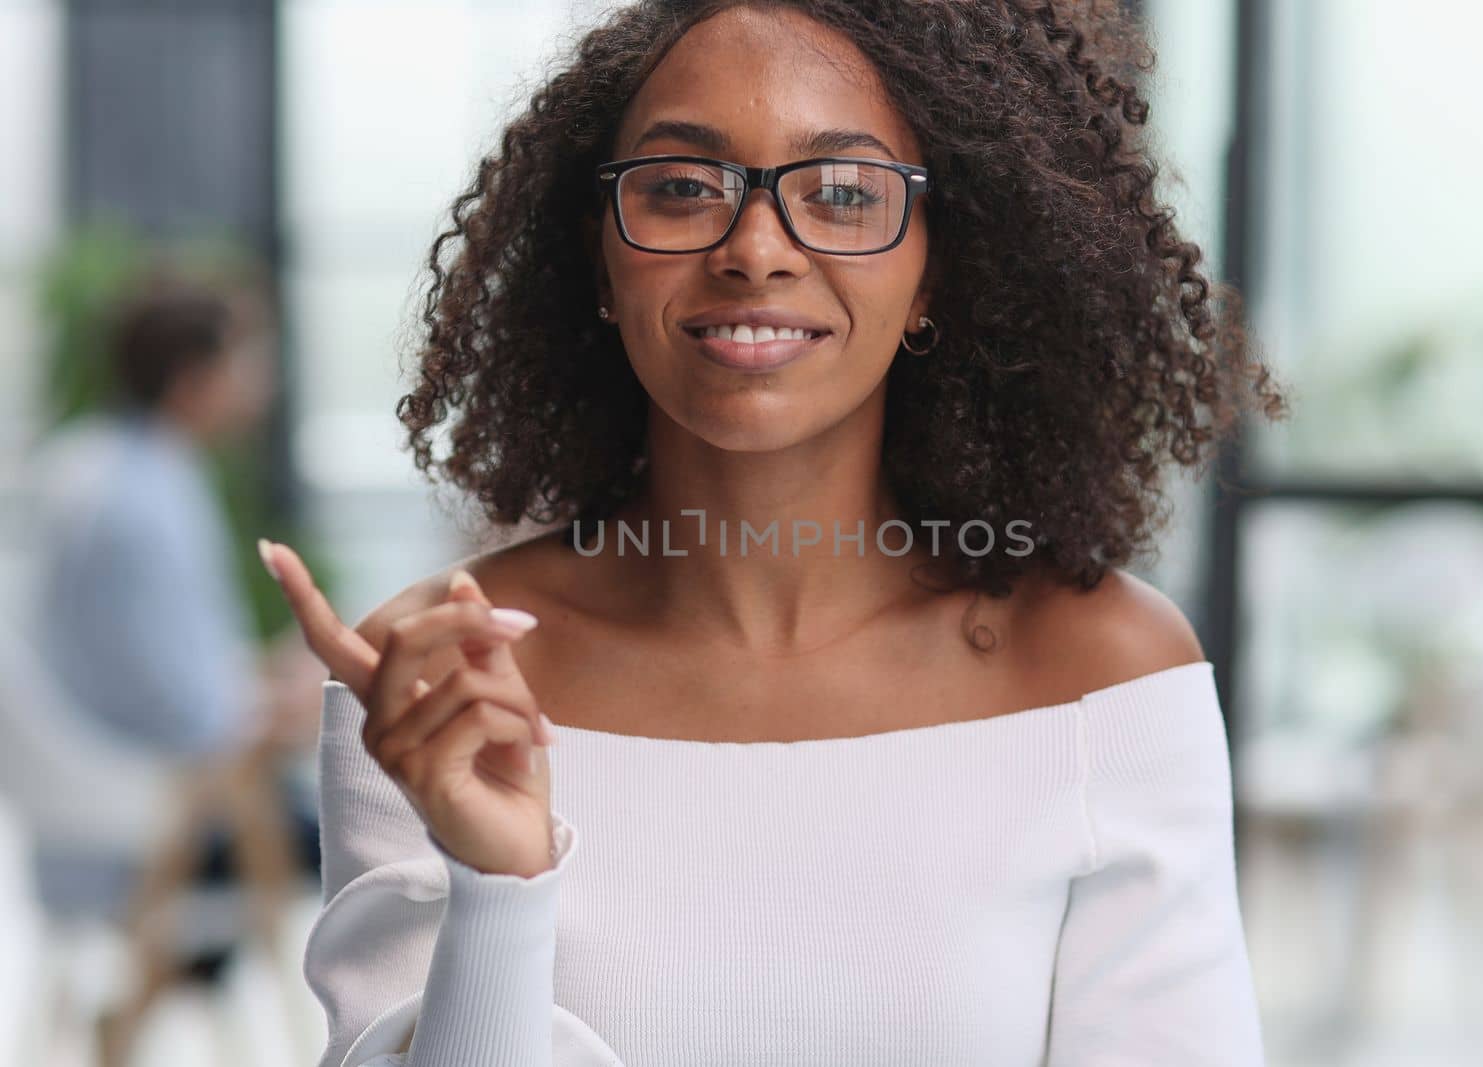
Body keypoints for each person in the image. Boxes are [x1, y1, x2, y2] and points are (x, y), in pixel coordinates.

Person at [271, 1, 1292, 1063]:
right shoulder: (445, 682)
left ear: (935, 266)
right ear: (601, 260)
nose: (755, 250)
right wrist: (499, 886)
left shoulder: (1098, 678)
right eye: (679, 189)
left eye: (844, 193)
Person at [25, 273, 324, 924]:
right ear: (193, 378)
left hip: (97, 785)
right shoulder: (147, 500)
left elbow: (150, 657)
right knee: (394, 820)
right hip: (156, 807)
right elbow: (190, 710)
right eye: (244, 362)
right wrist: (290, 702)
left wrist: (262, 681)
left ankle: (126, 1022)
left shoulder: (100, 464)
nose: (260, 383)